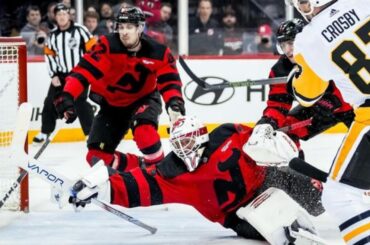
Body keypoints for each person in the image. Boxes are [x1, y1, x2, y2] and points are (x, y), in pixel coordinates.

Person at [67, 115, 324, 244]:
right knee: (280, 234)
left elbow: (264, 141)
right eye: (177, 144)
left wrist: (277, 142)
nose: (183, 149)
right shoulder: (173, 173)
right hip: (236, 214)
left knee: (319, 195)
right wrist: (98, 188)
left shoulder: (228, 135)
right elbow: (136, 186)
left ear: (201, 137)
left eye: (187, 141)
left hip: (267, 179)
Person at [246, 0, 370, 244]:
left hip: (353, 109)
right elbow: (279, 105)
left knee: (339, 196)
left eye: (301, 2)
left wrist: (297, 79)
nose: (300, 7)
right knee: (289, 130)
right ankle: (298, 182)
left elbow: (307, 94)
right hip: (330, 111)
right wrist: (266, 122)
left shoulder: (309, 39)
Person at [54, 7, 185, 166]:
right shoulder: (106, 45)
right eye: (121, 27)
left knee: (146, 135)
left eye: (129, 27)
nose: (124, 32)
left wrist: (174, 104)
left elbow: (170, 81)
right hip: (112, 106)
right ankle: (142, 167)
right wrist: (67, 95)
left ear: (140, 28)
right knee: (96, 158)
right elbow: (84, 71)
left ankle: (161, 172)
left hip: (143, 100)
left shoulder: (158, 51)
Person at [253, 18, 354, 155]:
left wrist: (333, 100)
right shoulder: (280, 70)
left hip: (350, 107)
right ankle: (295, 173)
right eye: (283, 45)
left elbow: (350, 81)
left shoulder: (326, 53)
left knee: (364, 138)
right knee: (283, 131)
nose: (288, 50)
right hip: (317, 111)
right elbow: (278, 105)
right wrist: (268, 122)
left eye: (291, 43)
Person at [32, 3, 95, 144]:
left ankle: (91, 134)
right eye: (58, 14)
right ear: (55, 17)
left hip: (79, 74)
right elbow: (49, 56)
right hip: (60, 75)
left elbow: (93, 50)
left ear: (69, 15)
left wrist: (88, 70)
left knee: (80, 102)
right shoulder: (53, 35)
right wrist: (53, 75)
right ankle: (44, 132)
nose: (61, 17)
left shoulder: (80, 30)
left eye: (64, 14)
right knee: (50, 101)